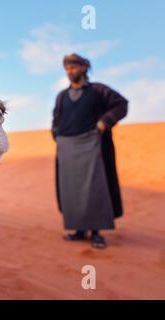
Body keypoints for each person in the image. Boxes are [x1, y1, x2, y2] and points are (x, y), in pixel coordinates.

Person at [52, 53, 128, 249]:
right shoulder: (62, 96)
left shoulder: (98, 90)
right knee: (72, 190)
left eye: (74, 67)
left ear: (84, 67)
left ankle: (96, 232)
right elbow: (56, 119)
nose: (70, 71)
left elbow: (121, 105)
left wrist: (105, 122)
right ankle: (78, 230)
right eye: (67, 68)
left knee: (94, 188)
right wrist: (56, 134)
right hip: (67, 149)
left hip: (93, 146)